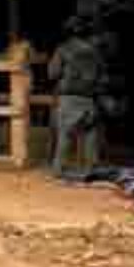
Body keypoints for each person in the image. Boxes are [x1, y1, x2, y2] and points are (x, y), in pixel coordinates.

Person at [48, 14, 107, 180]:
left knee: (65, 134)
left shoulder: (63, 49)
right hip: (89, 100)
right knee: (90, 135)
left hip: (69, 99)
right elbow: (103, 76)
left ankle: (58, 170)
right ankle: (91, 170)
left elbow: (52, 73)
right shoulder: (95, 52)